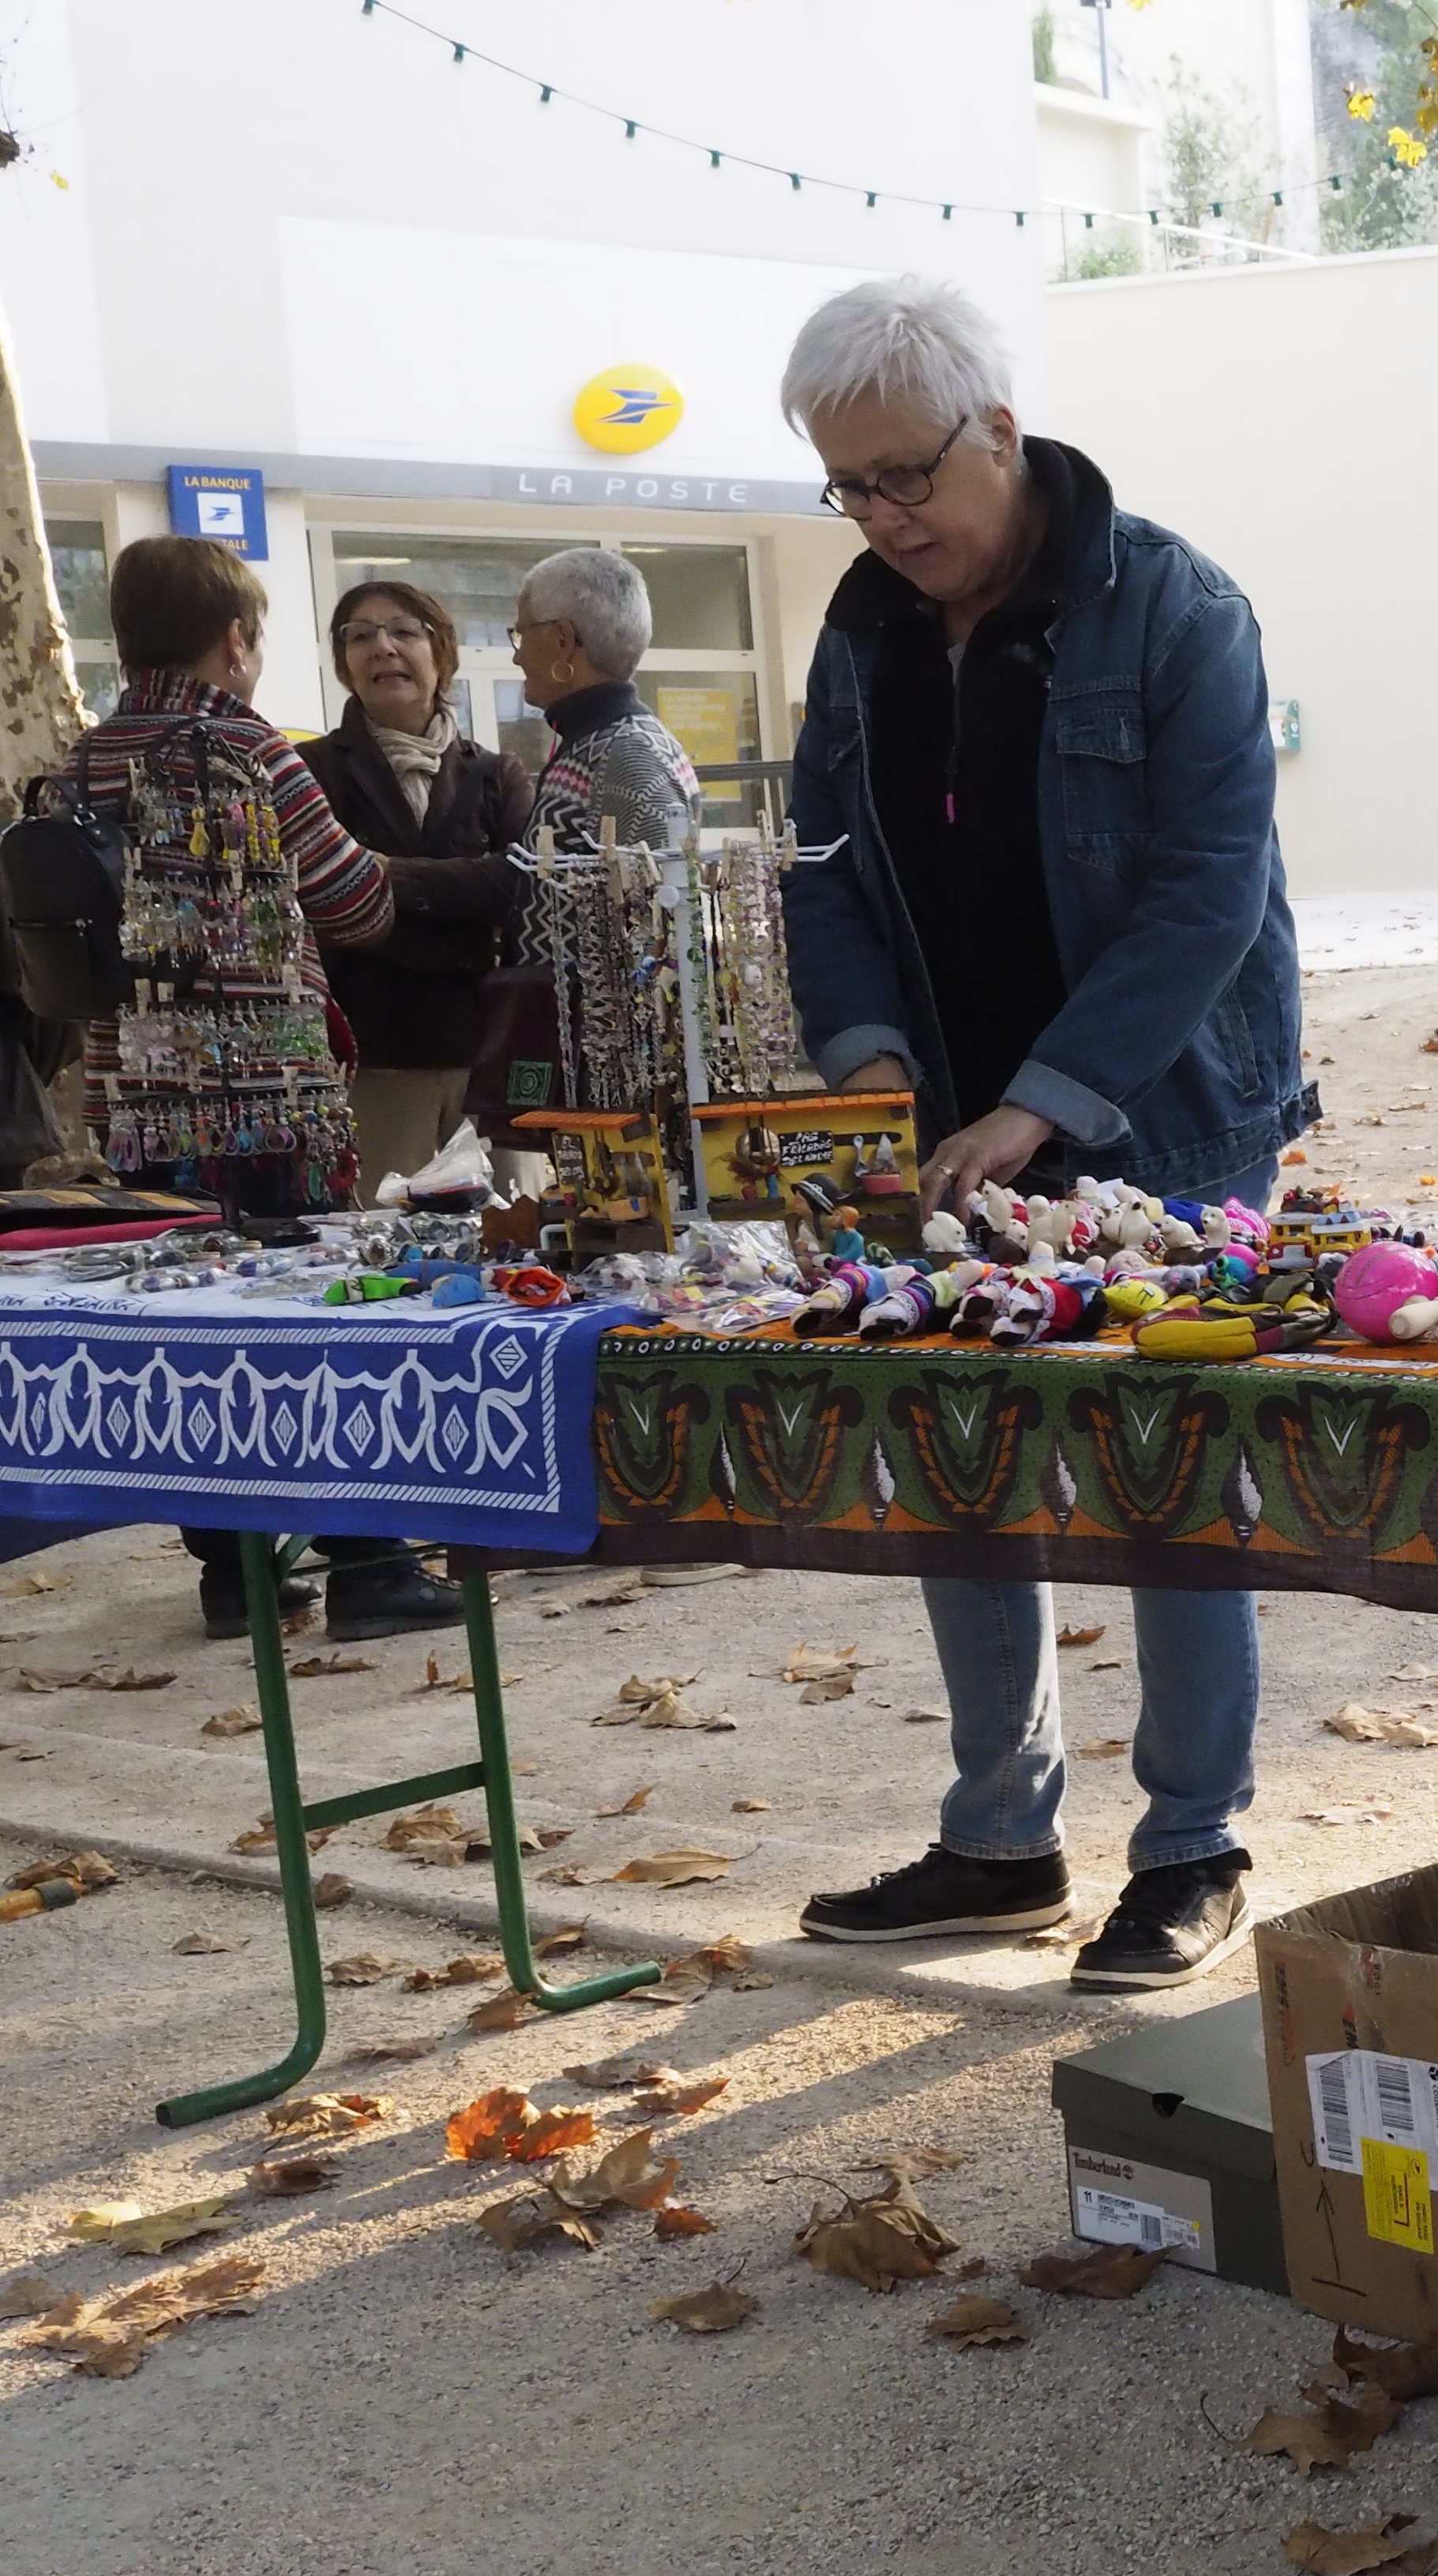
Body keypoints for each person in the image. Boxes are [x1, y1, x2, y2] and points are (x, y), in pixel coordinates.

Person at [772, 274, 1316, 1992]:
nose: (880, 516)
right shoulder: (860, 627)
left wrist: (1044, 1103)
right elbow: (828, 869)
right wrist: (869, 1070)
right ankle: (1001, 1840)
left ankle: (1191, 1847)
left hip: (1168, 1105)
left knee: (1169, 1482)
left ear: (998, 430)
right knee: (959, 1461)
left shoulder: (1177, 607)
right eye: (846, 485)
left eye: (904, 476)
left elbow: (1204, 896)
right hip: (945, 1115)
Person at [70, 536, 464, 1642]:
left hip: (137, 1101)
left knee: (195, 1325)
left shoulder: (84, 756)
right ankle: (371, 1562)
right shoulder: (253, 749)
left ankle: (234, 1574)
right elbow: (354, 901)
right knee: (310, 1318)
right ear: (235, 641)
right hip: (270, 1102)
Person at [300, 578, 534, 1188]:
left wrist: (388, 875)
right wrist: (464, 891)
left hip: (488, 1052)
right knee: (385, 1248)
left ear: (442, 654)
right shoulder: (314, 773)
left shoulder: (494, 774)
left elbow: (524, 882)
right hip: (376, 1056)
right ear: (344, 664)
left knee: (518, 1238)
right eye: (361, 636)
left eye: (404, 631)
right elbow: (320, 893)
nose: (383, 648)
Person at [506, 550, 701, 854]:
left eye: (522, 634)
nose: (517, 656)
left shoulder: (628, 753)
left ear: (563, 640)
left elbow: (659, 896)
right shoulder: (603, 741)